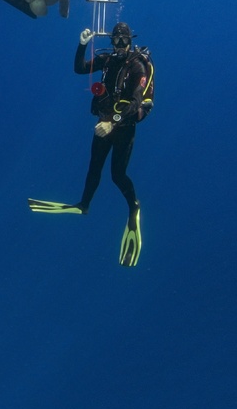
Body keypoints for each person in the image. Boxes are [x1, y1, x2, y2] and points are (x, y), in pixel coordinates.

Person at [28, 22, 153, 267]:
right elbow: (79, 69)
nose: (119, 45)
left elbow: (136, 103)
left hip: (123, 128)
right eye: (115, 40)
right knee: (93, 168)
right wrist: (82, 44)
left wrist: (112, 123)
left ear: (130, 41)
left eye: (123, 41)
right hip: (104, 123)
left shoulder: (137, 66)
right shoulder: (107, 61)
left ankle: (133, 208)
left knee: (117, 175)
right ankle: (84, 205)